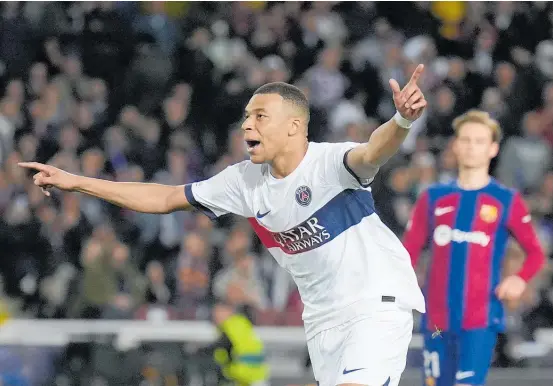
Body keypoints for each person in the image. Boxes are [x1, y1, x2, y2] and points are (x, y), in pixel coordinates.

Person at [20, 64, 428, 386]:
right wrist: (77, 182)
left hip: (375, 305)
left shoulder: (329, 164)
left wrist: (402, 121)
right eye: (247, 116)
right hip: (322, 321)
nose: (247, 124)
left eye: (261, 116)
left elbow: (374, 150)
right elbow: (163, 198)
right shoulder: (243, 182)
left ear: (294, 126)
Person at [402, 110, 546, 386]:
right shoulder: (433, 198)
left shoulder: (505, 200)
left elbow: (536, 253)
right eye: (465, 140)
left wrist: (519, 278)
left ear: (493, 149)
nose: (471, 147)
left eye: (479, 141)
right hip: (436, 322)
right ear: (455, 145)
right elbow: (406, 253)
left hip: (480, 318)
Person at [197, 303, 269, 386]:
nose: (215, 316)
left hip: (244, 372)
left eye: (218, 312)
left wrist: (201, 350)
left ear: (228, 311)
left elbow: (223, 344)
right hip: (255, 373)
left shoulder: (232, 325)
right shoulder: (242, 323)